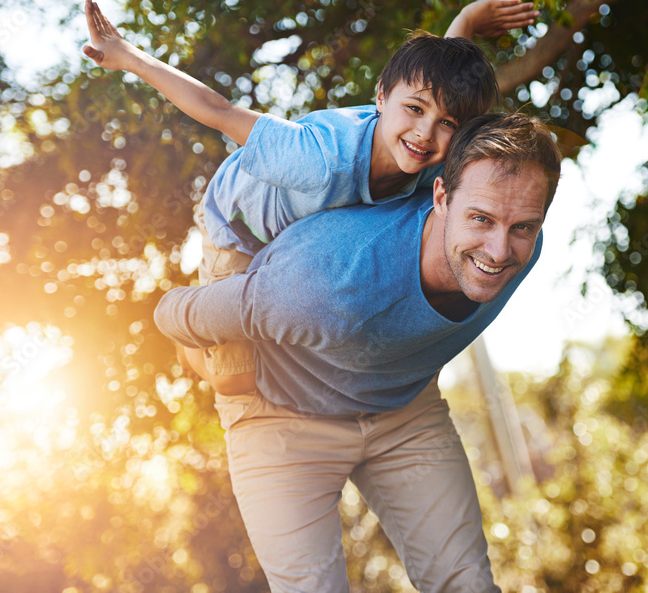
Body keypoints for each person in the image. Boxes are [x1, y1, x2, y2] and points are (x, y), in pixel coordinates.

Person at [155, 112, 562, 591]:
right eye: (481, 219)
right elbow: (171, 313)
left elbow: (444, 84)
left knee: (467, 583)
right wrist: (214, 367)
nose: (498, 250)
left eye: (522, 226)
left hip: (402, 410)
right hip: (281, 413)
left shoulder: (524, 249)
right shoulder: (325, 284)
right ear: (441, 198)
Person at [82, 0, 538, 395]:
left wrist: (468, 20)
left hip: (303, 236)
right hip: (237, 227)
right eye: (414, 111)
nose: (424, 133)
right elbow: (217, 111)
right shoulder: (318, 158)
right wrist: (129, 57)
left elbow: (443, 84)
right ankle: (190, 347)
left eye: (446, 126)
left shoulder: (435, 154)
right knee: (235, 379)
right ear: (382, 95)